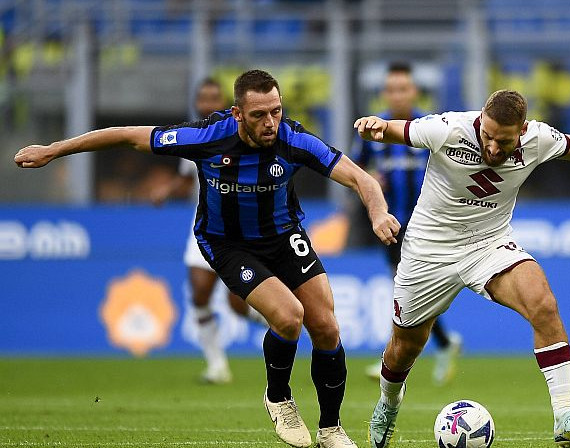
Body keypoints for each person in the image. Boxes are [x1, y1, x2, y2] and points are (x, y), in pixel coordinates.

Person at [15, 69, 401, 448]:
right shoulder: (206, 137)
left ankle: (331, 430)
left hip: (284, 237)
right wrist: (53, 150)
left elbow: (360, 178)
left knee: (327, 327)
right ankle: (279, 398)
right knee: (288, 317)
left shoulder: (294, 139)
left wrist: (378, 212)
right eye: (259, 115)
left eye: (276, 111)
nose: (270, 123)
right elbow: (128, 137)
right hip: (228, 243)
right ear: (237, 114)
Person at [354, 89, 570, 448]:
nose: (494, 148)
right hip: (428, 252)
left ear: (522, 130)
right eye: (488, 137)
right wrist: (375, 124)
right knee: (405, 347)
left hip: (489, 245)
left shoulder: (538, 138)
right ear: (481, 120)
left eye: (505, 141)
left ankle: (565, 416)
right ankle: (388, 403)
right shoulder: (448, 128)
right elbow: (396, 130)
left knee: (542, 302)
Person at [150, 77, 269, 384]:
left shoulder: (239, 134)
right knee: (200, 293)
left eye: (213, 98)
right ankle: (217, 365)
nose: (207, 103)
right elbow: (188, 178)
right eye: (202, 98)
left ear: (228, 106)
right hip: (204, 223)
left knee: (237, 302)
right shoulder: (194, 136)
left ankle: (277, 321)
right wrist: (168, 190)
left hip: (241, 229)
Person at [352, 61, 461, 385]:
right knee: (406, 286)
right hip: (389, 222)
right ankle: (442, 343)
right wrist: (371, 178)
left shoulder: (431, 126)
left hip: (427, 222)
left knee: (408, 284)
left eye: (403, 88)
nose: (397, 95)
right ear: (384, 93)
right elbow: (355, 170)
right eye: (391, 89)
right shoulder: (373, 129)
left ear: (414, 91)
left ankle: (400, 354)